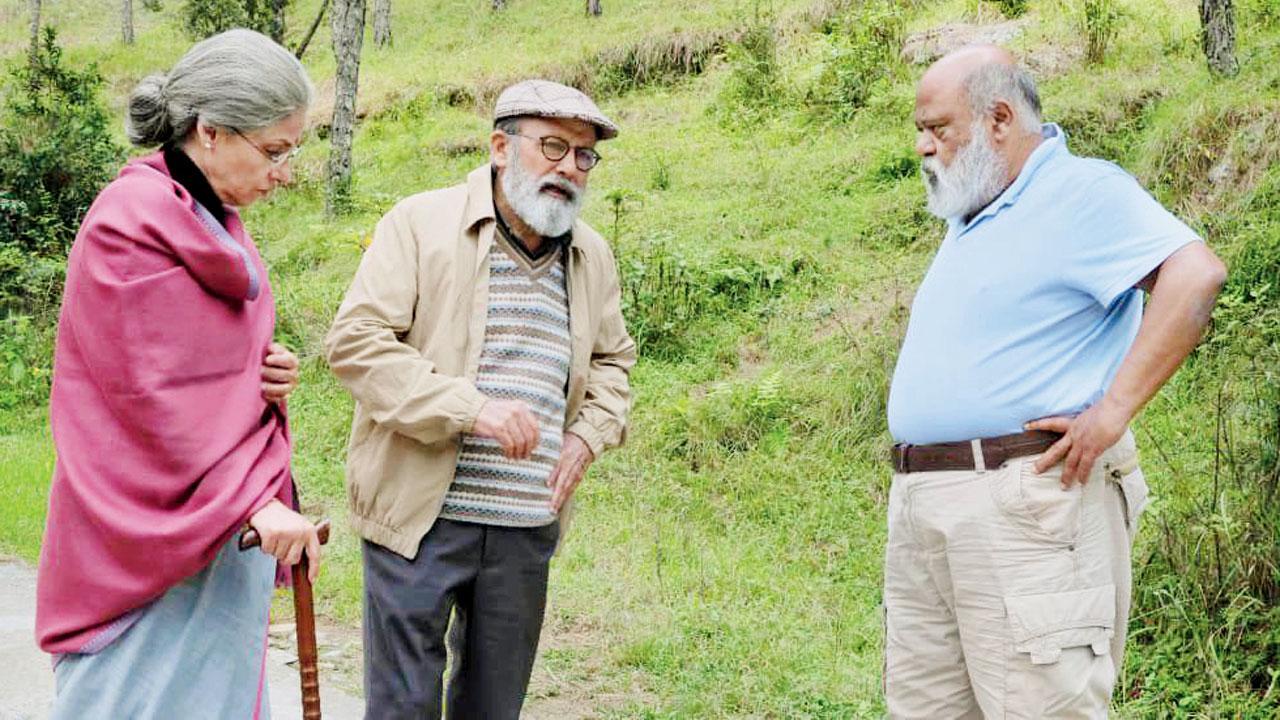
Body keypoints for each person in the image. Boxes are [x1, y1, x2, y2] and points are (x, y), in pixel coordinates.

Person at [882, 46, 1227, 718]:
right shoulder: (976, 208)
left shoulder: (1078, 192)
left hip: (1023, 503)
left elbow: (1195, 274)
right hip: (928, 507)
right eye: (920, 131)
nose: (924, 147)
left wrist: (1112, 411)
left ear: (999, 119)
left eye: (938, 129)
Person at [35, 29, 322, 719]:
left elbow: (197, 361)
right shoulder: (129, 224)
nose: (285, 173)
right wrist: (253, 501)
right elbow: (144, 398)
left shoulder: (208, 215)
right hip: (144, 534)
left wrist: (262, 370)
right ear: (211, 131)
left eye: (292, 152)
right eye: (274, 151)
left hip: (223, 526)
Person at [325, 79, 635, 718]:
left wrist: (586, 436)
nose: (569, 168)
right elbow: (356, 344)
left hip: (525, 525)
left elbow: (613, 363)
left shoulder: (592, 255)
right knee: (403, 707)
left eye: (584, 155)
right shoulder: (420, 223)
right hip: (418, 518)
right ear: (500, 147)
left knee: (493, 709)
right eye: (553, 147)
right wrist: (471, 408)